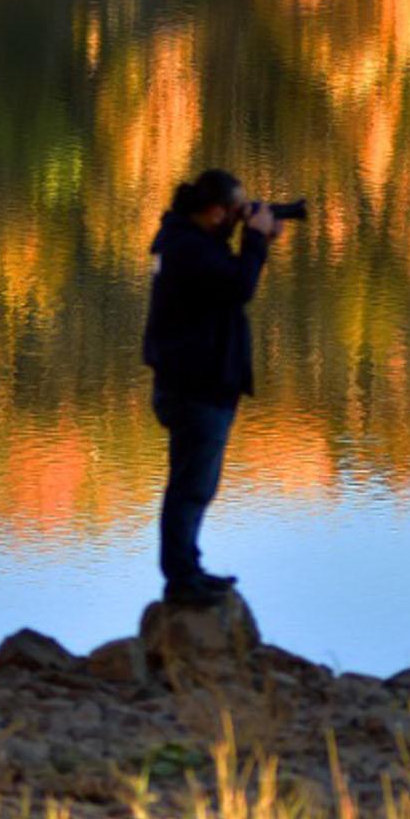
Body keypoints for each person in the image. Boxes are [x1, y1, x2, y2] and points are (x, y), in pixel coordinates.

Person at [140, 167, 279, 605]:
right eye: (236, 212)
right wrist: (254, 240)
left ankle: (189, 569)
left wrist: (258, 242)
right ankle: (182, 580)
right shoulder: (187, 248)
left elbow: (229, 282)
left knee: (196, 486)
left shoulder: (189, 242)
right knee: (190, 487)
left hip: (200, 384)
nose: (240, 219)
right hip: (195, 388)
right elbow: (239, 286)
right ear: (217, 211)